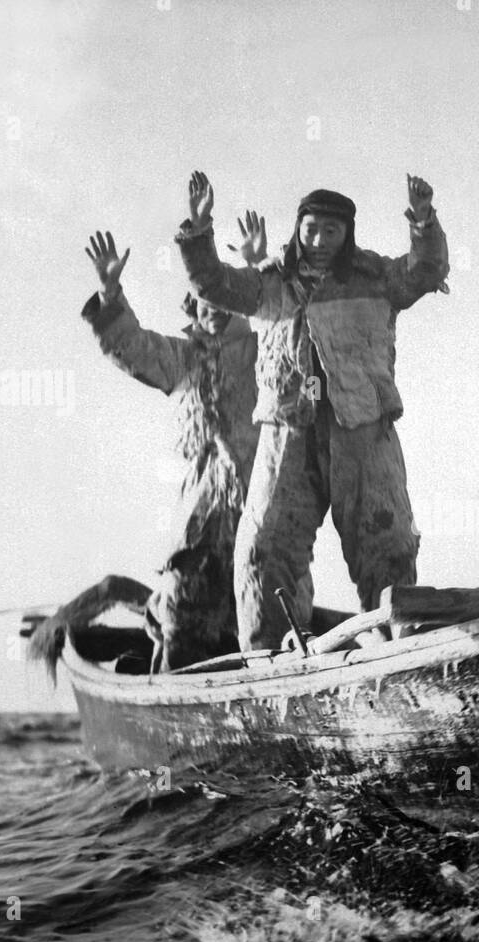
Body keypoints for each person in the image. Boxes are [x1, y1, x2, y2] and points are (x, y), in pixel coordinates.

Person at [175, 171, 449, 650]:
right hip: (289, 434)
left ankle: (396, 648)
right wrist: (199, 230)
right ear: (297, 228)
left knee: (386, 543)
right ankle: (268, 658)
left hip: (362, 429)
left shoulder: (376, 278)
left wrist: (423, 221)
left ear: (347, 236)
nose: (319, 241)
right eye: (311, 229)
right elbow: (213, 283)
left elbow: (426, 272)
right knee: (265, 546)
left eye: (331, 231)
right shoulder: (270, 285)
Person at [75, 228, 297, 670]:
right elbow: (133, 348)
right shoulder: (187, 360)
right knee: (183, 605)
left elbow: (287, 328)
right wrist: (110, 291)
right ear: (194, 309)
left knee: (267, 606)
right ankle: (171, 686)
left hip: (264, 503)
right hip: (203, 514)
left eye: (220, 301)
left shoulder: (265, 350)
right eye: (203, 303)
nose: (212, 310)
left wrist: (256, 266)